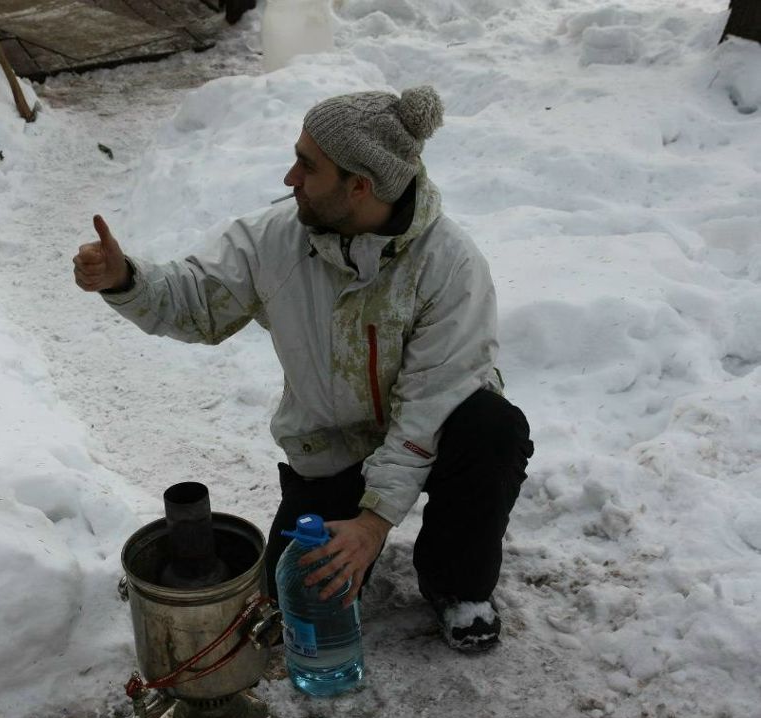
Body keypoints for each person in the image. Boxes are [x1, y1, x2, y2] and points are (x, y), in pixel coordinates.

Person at [73, 85, 534, 651]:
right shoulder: (276, 240)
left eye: (307, 165)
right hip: (333, 449)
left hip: (437, 436)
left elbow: (430, 406)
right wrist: (125, 279)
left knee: (492, 427)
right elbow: (196, 300)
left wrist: (373, 524)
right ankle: (339, 525)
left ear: (359, 185)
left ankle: (456, 584)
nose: (290, 177)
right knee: (291, 599)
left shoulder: (449, 266)